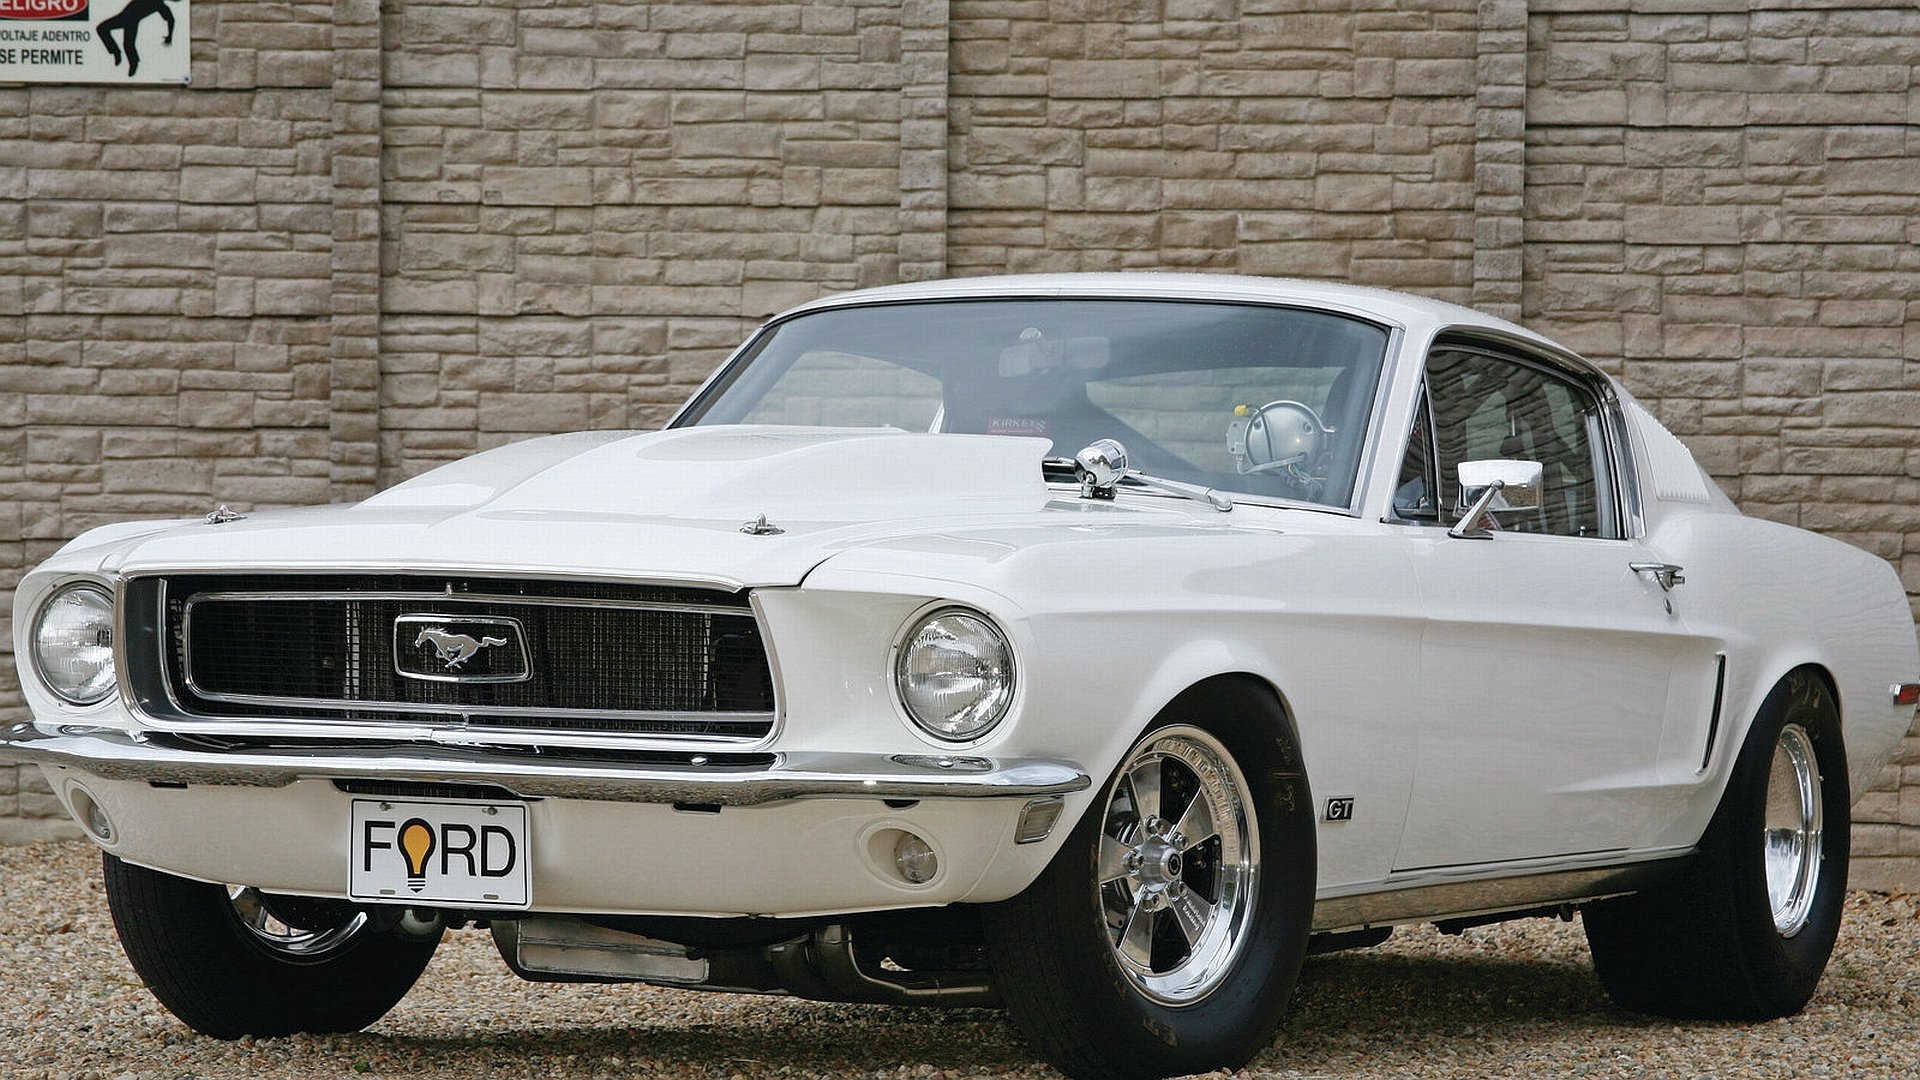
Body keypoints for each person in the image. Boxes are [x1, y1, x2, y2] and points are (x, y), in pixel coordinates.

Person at [95, 0, 179, 78]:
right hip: (124, 17)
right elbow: (171, 20)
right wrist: (170, 36)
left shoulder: (160, 5)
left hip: (131, 21)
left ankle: (132, 63)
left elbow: (171, 20)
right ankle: (117, 52)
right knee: (102, 29)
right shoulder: (160, 5)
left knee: (128, 44)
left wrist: (170, 36)